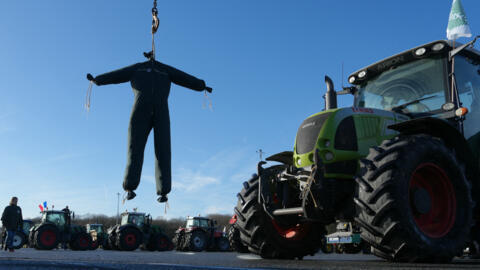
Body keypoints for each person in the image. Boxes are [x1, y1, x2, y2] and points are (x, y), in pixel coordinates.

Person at [87, 53, 213, 203]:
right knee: (134, 148)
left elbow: (183, 77)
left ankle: (163, 190)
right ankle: (130, 187)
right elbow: (118, 74)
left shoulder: (165, 70)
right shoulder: (138, 69)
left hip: (162, 113)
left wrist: (201, 85)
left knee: (163, 150)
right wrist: (98, 80)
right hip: (140, 113)